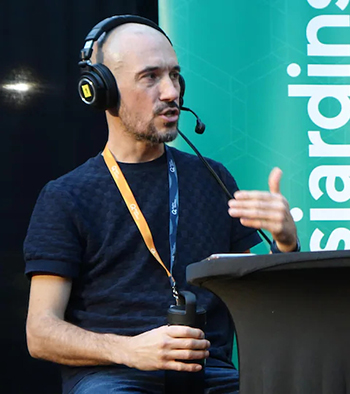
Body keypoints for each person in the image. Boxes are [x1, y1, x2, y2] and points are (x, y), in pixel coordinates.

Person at [23, 16, 299, 394]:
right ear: (101, 89)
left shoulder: (212, 178)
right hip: (113, 377)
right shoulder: (66, 196)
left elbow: (276, 304)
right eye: (150, 76)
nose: (171, 92)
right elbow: (40, 333)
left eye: (175, 75)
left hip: (210, 376)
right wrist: (130, 350)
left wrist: (286, 244)